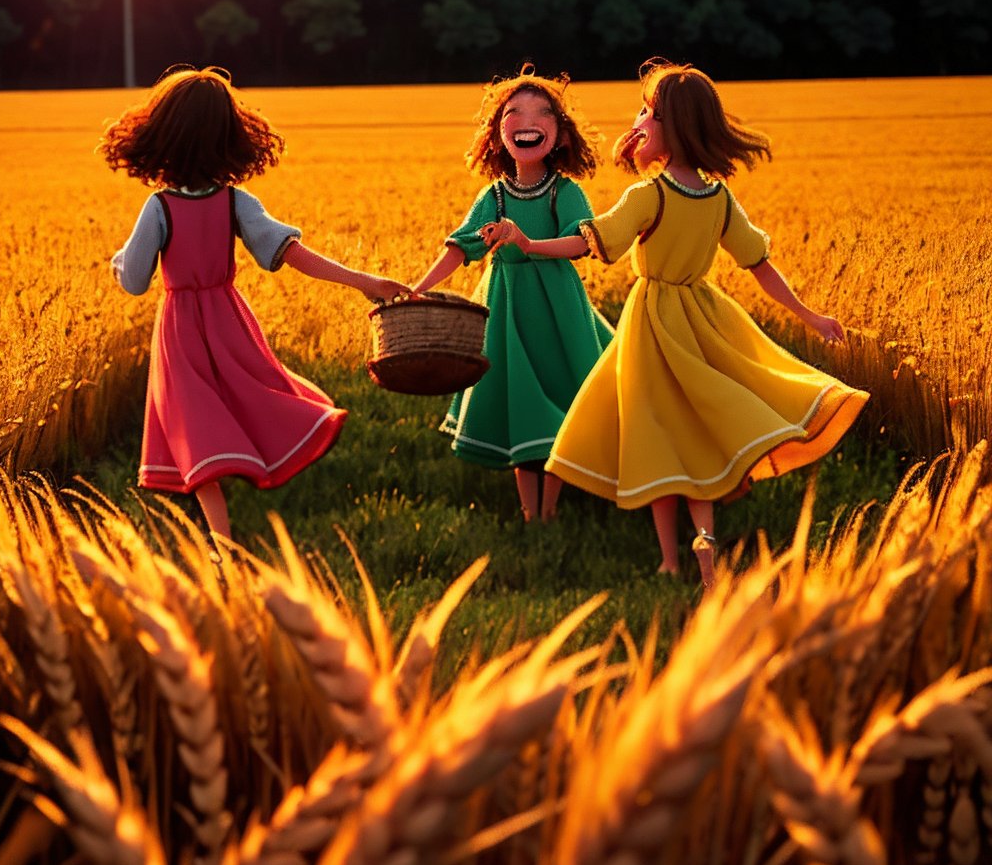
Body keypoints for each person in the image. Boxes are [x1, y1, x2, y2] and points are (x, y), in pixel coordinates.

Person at [481, 59, 869, 583]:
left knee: (657, 434)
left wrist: (529, 243)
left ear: (675, 125)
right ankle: (702, 553)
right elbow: (759, 263)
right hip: (706, 319)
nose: (638, 120)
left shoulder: (651, 195)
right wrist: (808, 315)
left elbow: (593, 242)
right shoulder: (718, 197)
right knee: (693, 433)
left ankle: (671, 560)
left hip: (654, 326)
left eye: (648, 111)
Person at [100, 65, 406, 541]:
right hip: (228, 321)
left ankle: (221, 552)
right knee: (250, 396)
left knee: (195, 421)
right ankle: (232, 531)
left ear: (162, 133)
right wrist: (365, 280)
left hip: (180, 330)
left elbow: (136, 281)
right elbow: (291, 253)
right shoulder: (235, 200)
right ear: (230, 136)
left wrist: (118, 262)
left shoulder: (158, 207)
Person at [412, 67, 613, 523]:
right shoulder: (495, 196)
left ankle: (553, 508)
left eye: (544, 113)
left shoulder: (565, 191)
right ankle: (532, 516)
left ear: (561, 135)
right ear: (497, 134)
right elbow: (460, 247)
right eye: (514, 112)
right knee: (521, 398)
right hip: (506, 309)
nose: (529, 120)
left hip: (559, 307)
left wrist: (527, 244)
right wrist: (417, 290)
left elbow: (582, 242)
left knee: (566, 394)